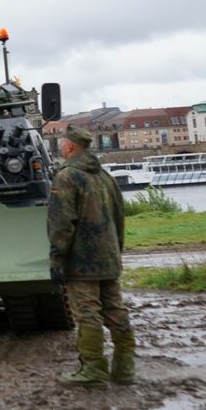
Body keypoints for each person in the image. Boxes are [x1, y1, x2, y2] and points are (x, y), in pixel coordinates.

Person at [48, 124, 136, 388]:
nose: (61, 146)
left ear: (71, 146)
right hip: (108, 258)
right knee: (116, 310)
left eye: (63, 143)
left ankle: (94, 370)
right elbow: (120, 218)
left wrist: (57, 258)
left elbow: (61, 223)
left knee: (87, 314)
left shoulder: (67, 176)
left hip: (81, 260)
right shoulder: (105, 177)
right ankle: (124, 368)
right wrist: (115, 252)